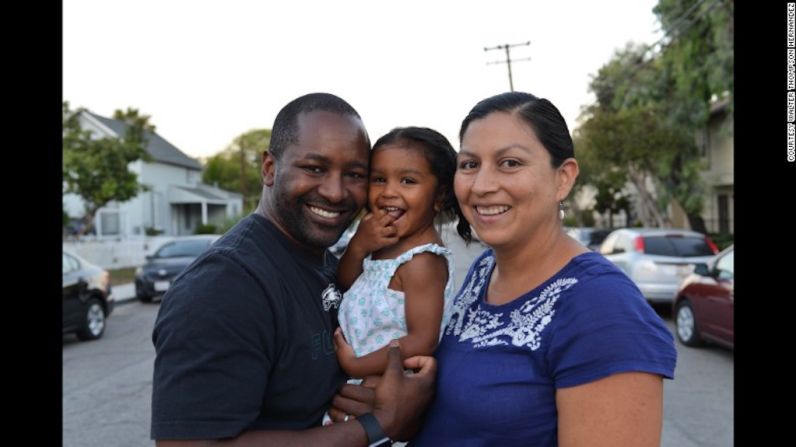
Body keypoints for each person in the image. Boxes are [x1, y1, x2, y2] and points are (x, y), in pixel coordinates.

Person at [150, 93, 436, 446]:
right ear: (270, 169)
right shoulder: (223, 286)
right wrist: (380, 424)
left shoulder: (330, 264)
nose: (335, 192)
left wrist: (387, 404)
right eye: (314, 168)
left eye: (355, 174)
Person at [408, 91, 678, 446]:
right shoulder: (484, 271)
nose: (482, 186)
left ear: (563, 178)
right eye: (470, 164)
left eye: (510, 163)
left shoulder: (603, 309)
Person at [327, 127, 469, 415]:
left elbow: (422, 340)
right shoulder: (380, 245)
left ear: (439, 195)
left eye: (408, 181)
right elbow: (344, 283)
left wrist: (355, 364)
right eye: (379, 179)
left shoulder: (422, 262)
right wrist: (358, 247)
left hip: (386, 394)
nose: (389, 192)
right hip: (356, 385)